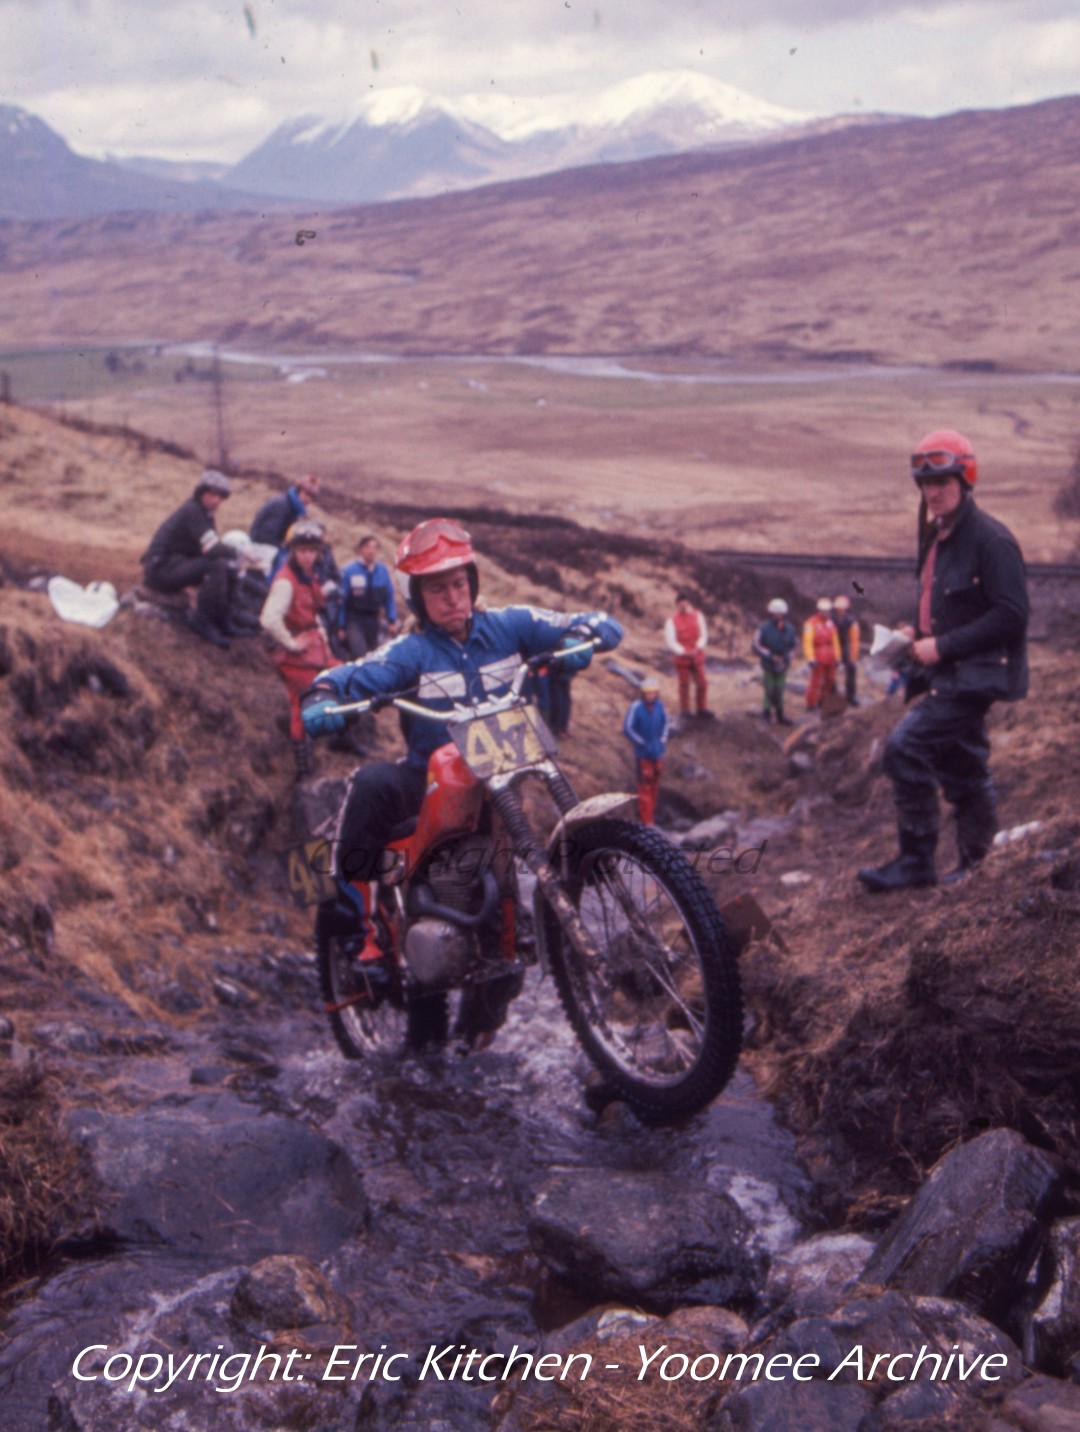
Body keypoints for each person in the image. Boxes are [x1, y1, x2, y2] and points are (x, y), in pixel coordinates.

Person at [301, 518, 623, 962]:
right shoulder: (411, 651)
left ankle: (516, 929)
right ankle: (356, 929)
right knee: (371, 783)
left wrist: (582, 637)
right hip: (428, 779)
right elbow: (352, 673)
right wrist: (323, 695)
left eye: (459, 584)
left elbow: (600, 622)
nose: (453, 598)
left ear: (472, 581)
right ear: (417, 597)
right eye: (438, 589)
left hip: (501, 779)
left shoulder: (510, 625)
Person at [858, 429, 1028, 893]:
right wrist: (916, 632)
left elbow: (1012, 615)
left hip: (973, 675)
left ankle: (916, 863)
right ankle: (979, 864)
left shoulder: (992, 540)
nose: (932, 493)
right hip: (949, 671)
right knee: (962, 764)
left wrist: (944, 645)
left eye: (942, 482)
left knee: (904, 749)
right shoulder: (940, 536)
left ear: (965, 479)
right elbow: (947, 603)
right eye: (926, 484)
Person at [260, 519, 341, 775]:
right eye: (302, 550)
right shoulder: (286, 581)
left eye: (312, 550)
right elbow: (269, 619)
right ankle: (304, 769)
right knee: (303, 703)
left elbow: (313, 614)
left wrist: (323, 642)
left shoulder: (307, 576)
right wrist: (291, 644)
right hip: (293, 655)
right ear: (293, 550)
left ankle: (339, 738)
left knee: (344, 676)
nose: (308, 556)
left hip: (312, 647)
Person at [141, 468, 242, 648]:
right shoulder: (193, 511)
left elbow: (210, 547)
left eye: (220, 497)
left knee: (227, 564)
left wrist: (231, 555)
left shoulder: (203, 513)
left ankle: (223, 619)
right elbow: (213, 548)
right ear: (201, 493)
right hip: (160, 570)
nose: (216, 500)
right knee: (217, 564)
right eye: (212, 495)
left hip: (174, 565)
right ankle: (203, 621)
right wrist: (240, 552)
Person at [338, 534, 399, 658]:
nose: (371, 551)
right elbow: (342, 601)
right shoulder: (349, 571)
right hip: (354, 619)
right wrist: (341, 626)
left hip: (374, 620)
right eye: (367, 547)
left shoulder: (382, 570)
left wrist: (391, 620)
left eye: (374, 548)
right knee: (360, 653)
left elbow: (388, 596)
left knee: (373, 654)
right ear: (360, 549)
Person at [623, 678, 670, 825]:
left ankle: (651, 816)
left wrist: (663, 740)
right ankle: (646, 821)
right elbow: (628, 728)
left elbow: (666, 724)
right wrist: (641, 742)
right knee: (644, 786)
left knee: (655, 785)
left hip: (657, 752)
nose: (650, 696)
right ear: (643, 694)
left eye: (653, 693)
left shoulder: (660, 706)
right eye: (647, 693)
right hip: (642, 754)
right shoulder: (636, 707)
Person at [663, 591, 710, 719]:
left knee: (702, 683)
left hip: (697, 655)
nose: (683, 605)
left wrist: (698, 647)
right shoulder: (671, 620)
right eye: (680, 603)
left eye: (684, 602)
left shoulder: (698, 615)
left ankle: (702, 709)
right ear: (677, 604)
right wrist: (683, 651)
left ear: (688, 602)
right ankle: (685, 711)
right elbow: (670, 641)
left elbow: (704, 634)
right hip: (682, 658)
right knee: (684, 684)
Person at [752, 598, 798, 724]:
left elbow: (794, 645)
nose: (779, 615)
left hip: (783, 664)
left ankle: (780, 715)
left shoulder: (790, 628)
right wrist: (771, 656)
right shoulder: (763, 628)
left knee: (780, 690)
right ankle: (766, 714)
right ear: (771, 613)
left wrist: (786, 657)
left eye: (781, 612)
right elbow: (756, 645)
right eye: (776, 612)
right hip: (769, 664)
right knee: (769, 689)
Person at [250, 473, 321, 553]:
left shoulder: (294, 508)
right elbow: (268, 535)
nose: (309, 499)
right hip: (261, 547)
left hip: (271, 546)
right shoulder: (282, 505)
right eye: (306, 494)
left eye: (312, 497)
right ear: (298, 490)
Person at [802, 598, 841, 710]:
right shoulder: (811, 623)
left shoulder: (830, 623)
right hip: (818, 654)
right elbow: (807, 642)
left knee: (830, 680)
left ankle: (822, 702)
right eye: (823, 611)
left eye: (827, 611)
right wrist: (810, 658)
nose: (825, 613)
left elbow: (835, 641)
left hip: (830, 655)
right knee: (816, 681)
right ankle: (811, 704)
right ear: (818, 610)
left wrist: (838, 656)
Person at [833, 595, 861, 706]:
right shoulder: (831, 619)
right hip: (832, 646)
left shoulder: (851, 621)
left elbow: (854, 640)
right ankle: (831, 693)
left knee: (851, 668)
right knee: (830, 670)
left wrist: (853, 656)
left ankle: (851, 695)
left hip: (844, 646)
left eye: (842, 608)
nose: (840, 610)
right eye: (838, 608)